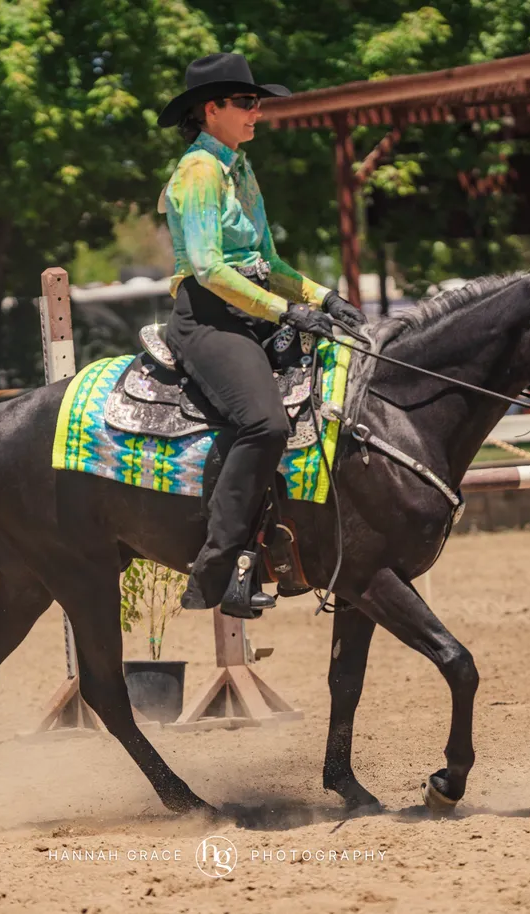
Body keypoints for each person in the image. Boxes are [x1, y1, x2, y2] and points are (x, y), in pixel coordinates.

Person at [156, 52, 368, 618]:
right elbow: (209, 268)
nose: (257, 111)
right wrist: (285, 312)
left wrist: (324, 298)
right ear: (211, 109)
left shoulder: (240, 169)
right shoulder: (198, 171)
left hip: (253, 311)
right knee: (265, 423)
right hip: (208, 318)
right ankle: (220, 568)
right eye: (247, 102)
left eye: (257, 102)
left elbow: (267, 262)